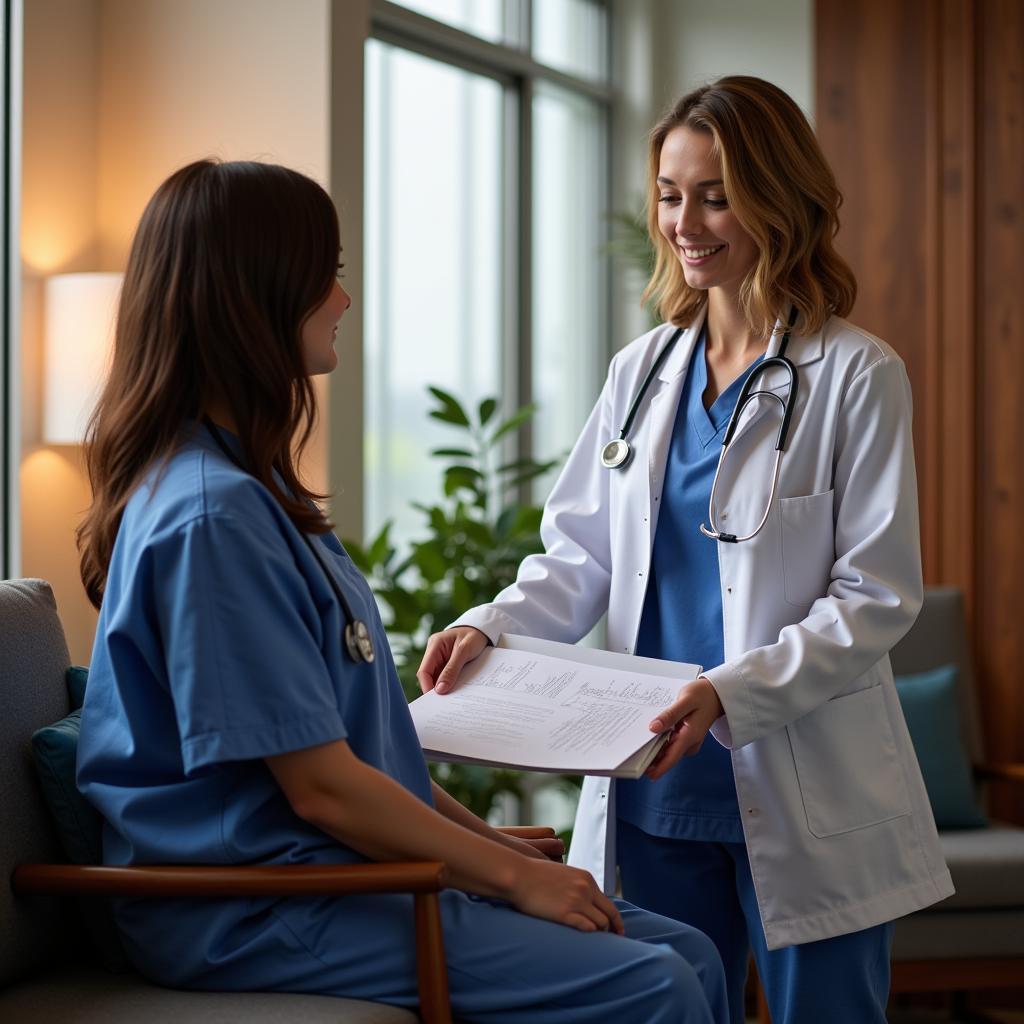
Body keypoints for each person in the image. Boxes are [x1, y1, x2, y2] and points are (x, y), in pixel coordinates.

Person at [74, 158, 729, 1023]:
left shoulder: (256, 493)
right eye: (328, 275)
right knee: (655, 982)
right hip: (249, 908)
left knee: (687, 947)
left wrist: (500, 848)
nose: (344, 300)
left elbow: (363, 757)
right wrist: (509, 878)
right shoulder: (212, 519)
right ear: (257, 292)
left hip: (330, 874)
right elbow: (323, 790)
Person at [418, 77, 954, 1024]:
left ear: (779, 199)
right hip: (652, 786)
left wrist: (727, 693)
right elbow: (577, 558)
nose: (685, 221)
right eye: (670, 193)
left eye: (716, 193)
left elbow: (873, 595)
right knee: (667, 1007)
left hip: (802, 780)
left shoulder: (857, 372)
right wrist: (486, 628)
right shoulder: (642, 370)